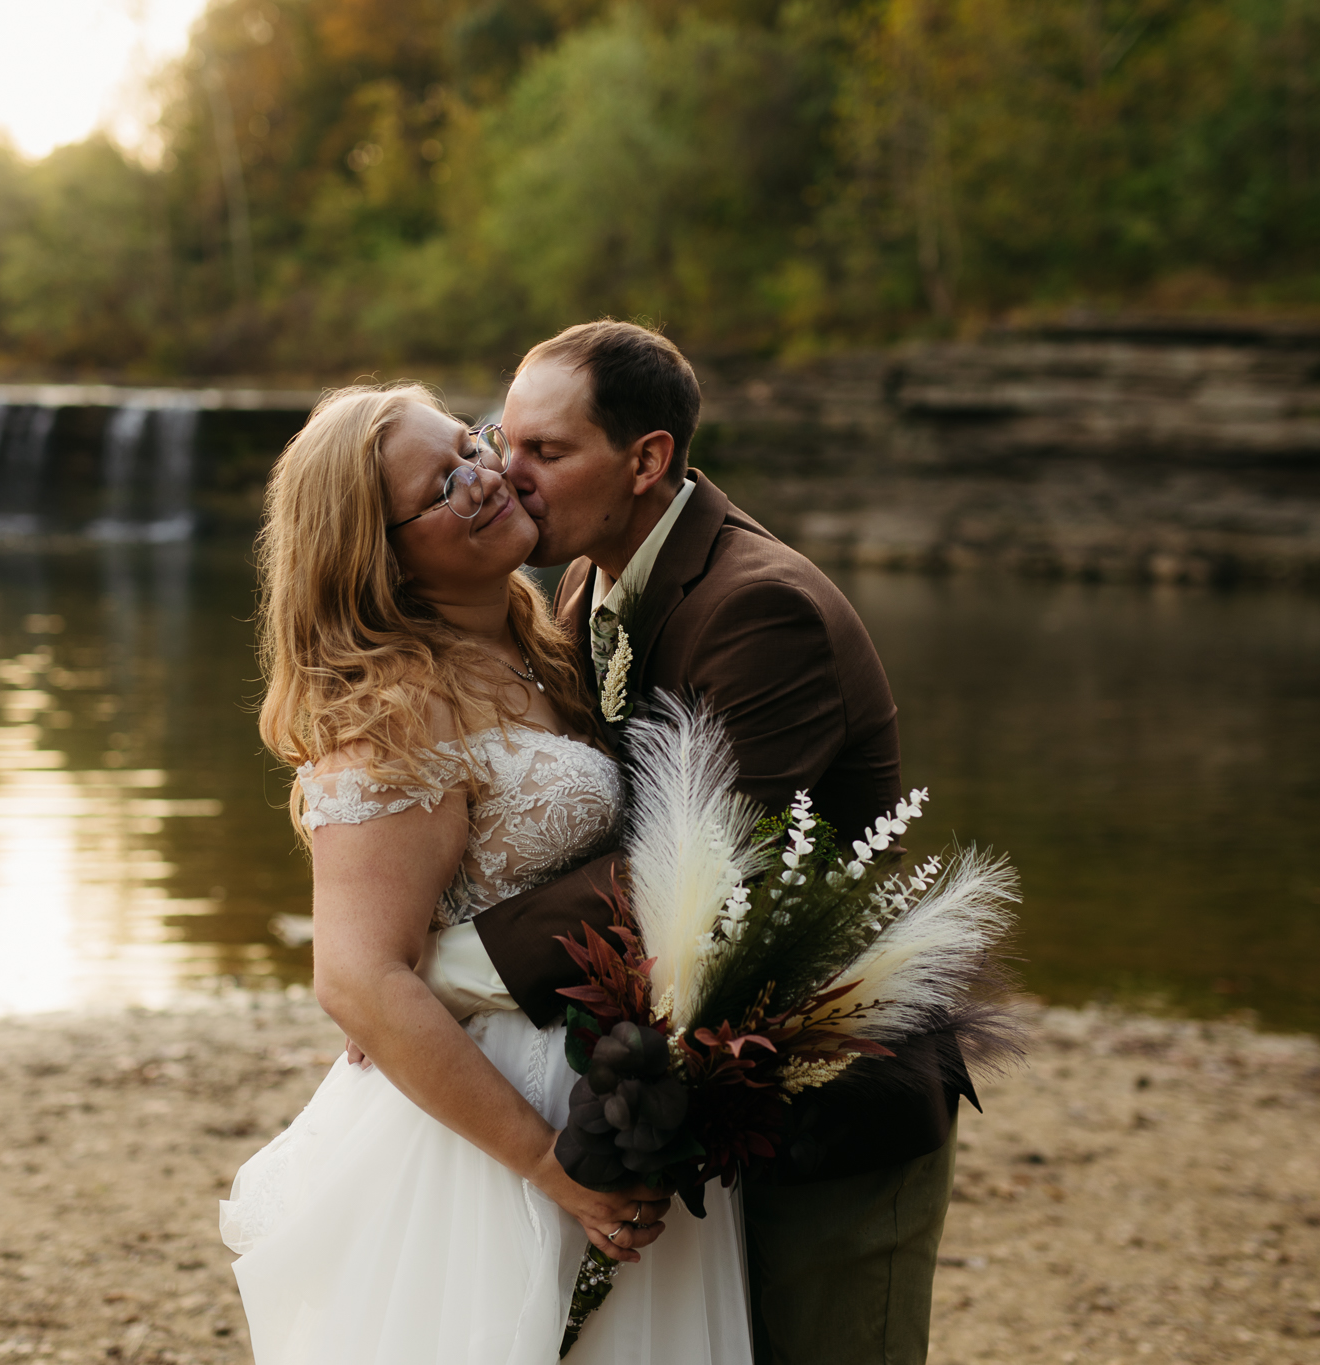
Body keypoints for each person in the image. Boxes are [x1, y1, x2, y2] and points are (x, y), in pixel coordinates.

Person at [415, 320, 974, 1364]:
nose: (509, 473)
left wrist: (442, 970)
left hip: (828, 1099)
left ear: (646, 460)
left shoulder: (760, 611)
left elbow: (689, 870)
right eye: (505, 438)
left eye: (547, 451)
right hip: (685, 1083)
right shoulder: (588, 581)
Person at [219, 383, 752, 1364]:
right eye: (441, 485)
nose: (484, 478)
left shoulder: (542, 640)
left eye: (470, 445)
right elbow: (356, 976)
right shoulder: (386, 709)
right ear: (373, 552)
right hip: (495, 1134)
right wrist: (550, 1168)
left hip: (609, 1085)